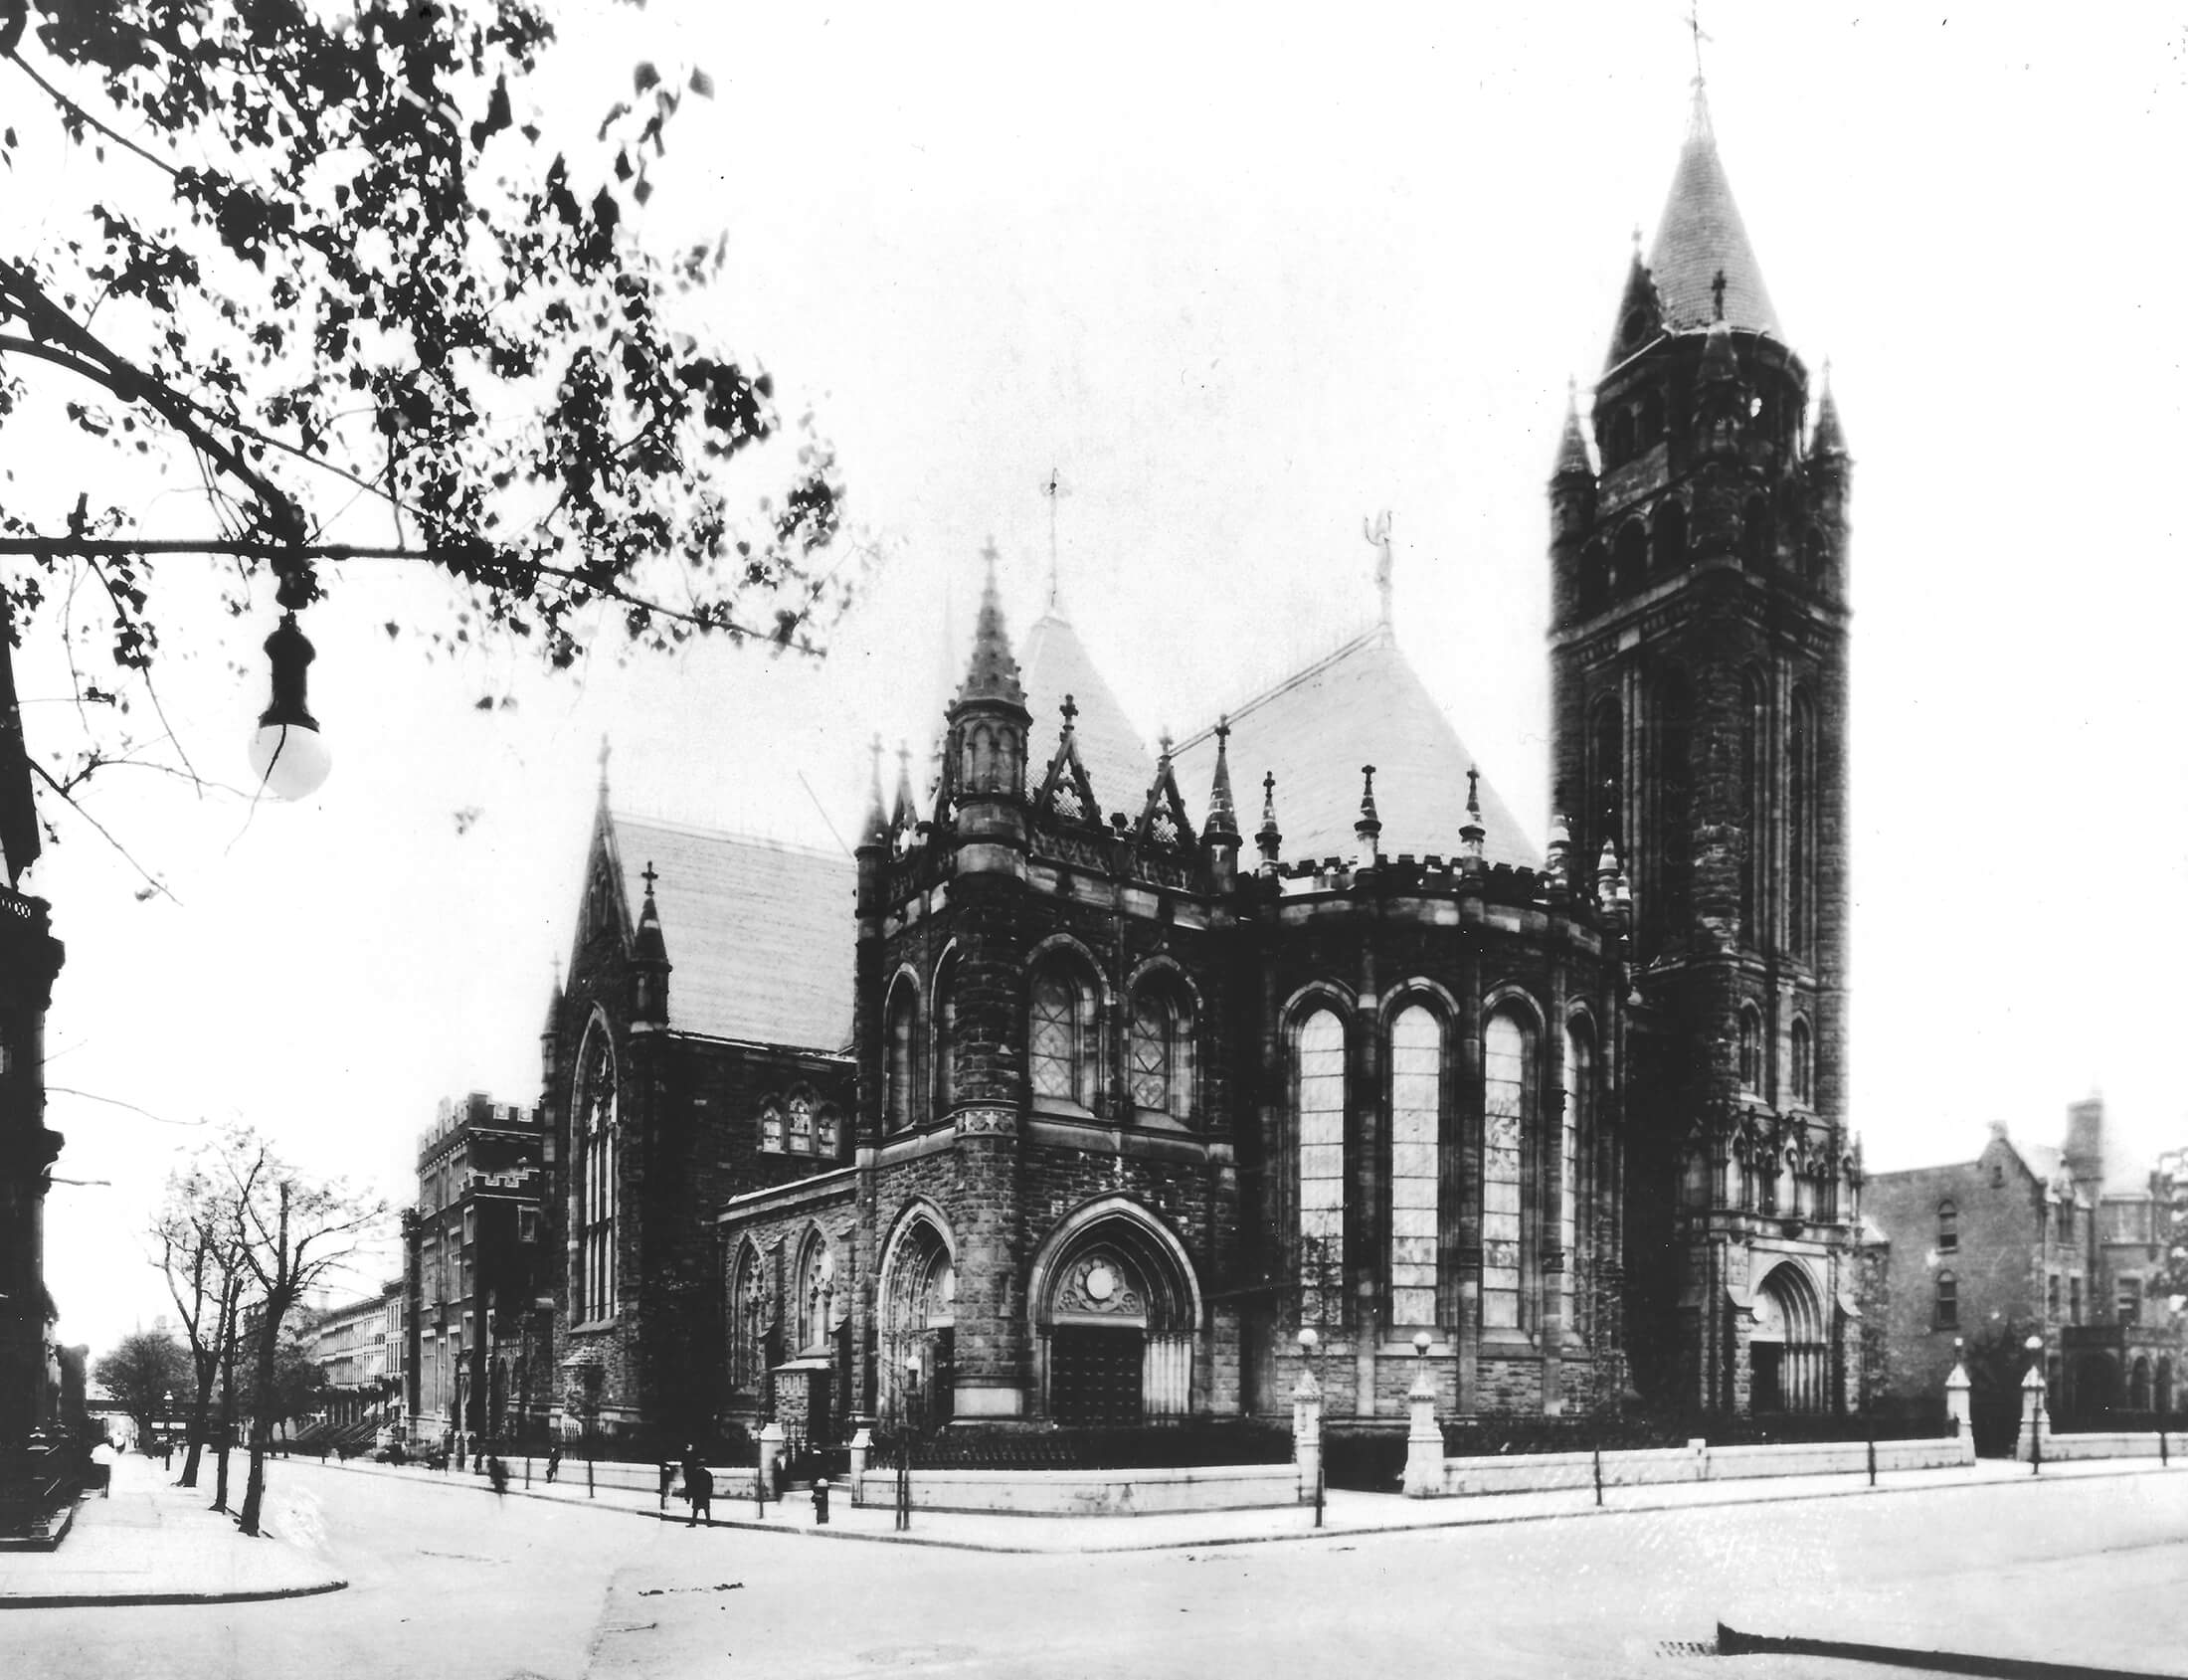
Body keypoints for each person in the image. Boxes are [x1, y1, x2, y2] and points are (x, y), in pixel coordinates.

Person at [684, 1452, 712, 1527]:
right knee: (706, 1509)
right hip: (705, 1494)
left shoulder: (694, 1474)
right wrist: (709, 1494)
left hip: (697, 1495)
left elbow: (691, 1485)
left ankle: (693, 1523)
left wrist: (689, 1495)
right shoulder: (708, 1474)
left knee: (695, 1509)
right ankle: (708, 1522)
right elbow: (710, 1485)